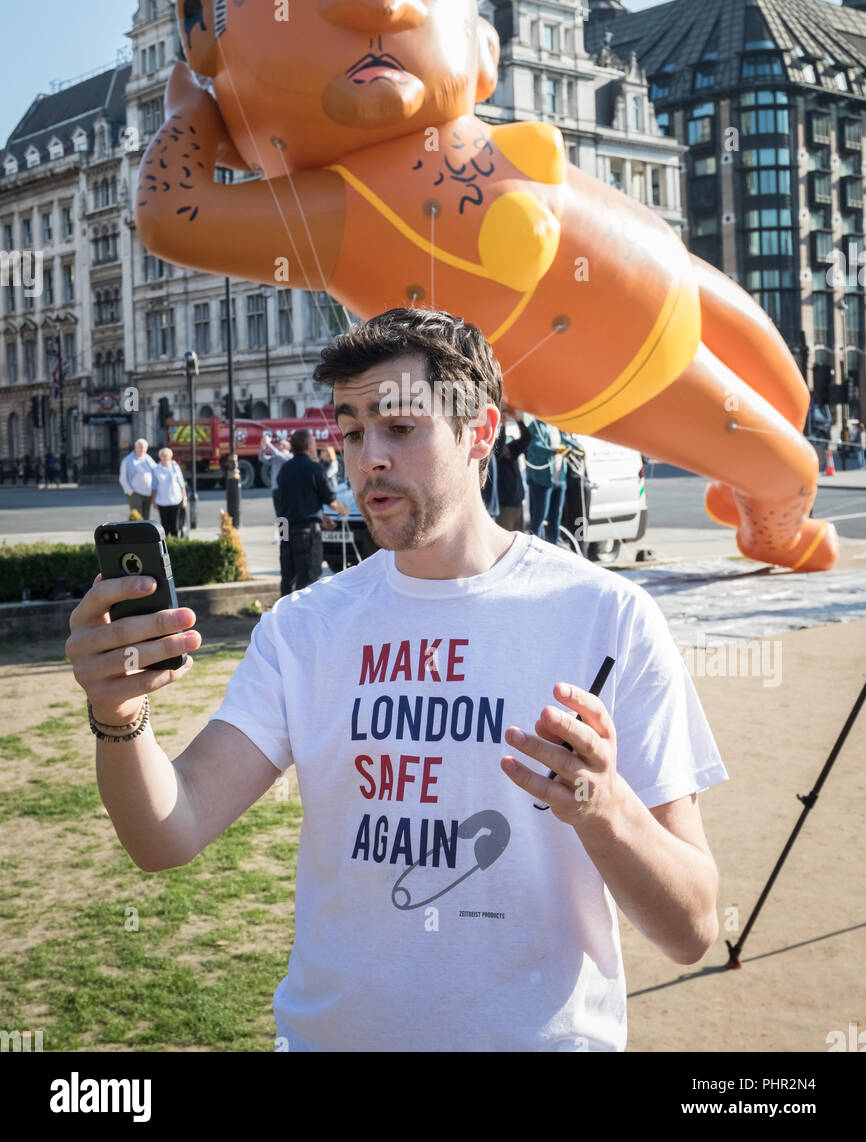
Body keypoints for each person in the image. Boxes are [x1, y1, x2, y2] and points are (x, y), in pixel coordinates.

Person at [66, 305, 727, 1054]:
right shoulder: (305, 626)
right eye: (351, 430)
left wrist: (607, 807)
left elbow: (693, 927)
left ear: (480, 433)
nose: (367, 457)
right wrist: (118, 713)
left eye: (400, 428)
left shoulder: (607, 618)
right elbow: (168, 833)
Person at [274, 428, 350, 595]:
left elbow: (288, 500)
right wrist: (343, 510)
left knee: (288, 575)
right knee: (309, 575)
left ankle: (285, 613)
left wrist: (321, 517)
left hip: (284, 527)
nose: (315, 447)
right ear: (309, 446)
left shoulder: (284, 469)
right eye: (314, 444)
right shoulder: (314, 469)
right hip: (306, 530)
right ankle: (303, 615)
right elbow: (330, 501)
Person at [481, 403, 530, 532]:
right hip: (504, 508)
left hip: (518, 505)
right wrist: (502, 424)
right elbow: (500, 447)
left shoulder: (510, 449)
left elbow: (526, 438)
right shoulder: (492, 453)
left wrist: (516, 417)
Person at [526, 417, 569, 542]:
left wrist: (576, 449)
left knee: (556, 517)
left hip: (560, 478)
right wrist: (555, 451)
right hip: (542, 480)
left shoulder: (557, 425)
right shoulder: (536, 426)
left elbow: (566, 441)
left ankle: (553, 547)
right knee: (539, 517)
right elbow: (535, 446)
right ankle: (535, 549)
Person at [151, 448, 188, 538]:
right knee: (165, 526)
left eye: (167, 456)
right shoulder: (156, 469)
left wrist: (184, 498)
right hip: (162, 501)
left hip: (175, 500)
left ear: (170, 456)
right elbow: (154, 486)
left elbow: (181, 483)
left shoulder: (175, 467)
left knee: (175, 526)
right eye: (163, 456)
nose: (165, 458)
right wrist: (154, 500)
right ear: (160, 457)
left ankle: (175, 542)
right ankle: (167, 543)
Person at [119, 439, 158, 519]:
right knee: (137, 518)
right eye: (139, 447)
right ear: (135, 448)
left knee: (146, 518)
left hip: (148, 493)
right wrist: (130, 492)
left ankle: (145, 532)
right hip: (135, 494)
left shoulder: (148, 458)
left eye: (144, 447)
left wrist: (171, 463)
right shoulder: (127, 460)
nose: (142, 449)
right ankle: (137, 532)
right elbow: (122, 478)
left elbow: (157, 470)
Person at [258, 430, 292, 520]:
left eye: (280, 444)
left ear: (286, 447)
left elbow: (277, 454)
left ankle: (288, 531)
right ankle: (283, 533)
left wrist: (268, 443)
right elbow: (262, 458)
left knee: (286, 511)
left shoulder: (289, 456)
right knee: (279, 512)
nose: (277, 446)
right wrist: (263, 447)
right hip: (276, 488)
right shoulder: (275, 458)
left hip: (285, 488)